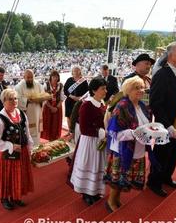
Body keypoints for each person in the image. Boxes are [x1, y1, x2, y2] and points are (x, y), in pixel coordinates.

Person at [104, 76, 152, 212]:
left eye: (142, 87)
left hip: (138, 149)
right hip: (123, 149)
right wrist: (135, 133)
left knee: (124, 177)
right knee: (118, 176)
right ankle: (110, 201)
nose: (141, 90)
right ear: (128, 90)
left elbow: (147, 125)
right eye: (136, 88)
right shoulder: (122, 105)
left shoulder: (142, 105)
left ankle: (116, 199)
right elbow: (115, 133)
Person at [147, 42, 176, 197]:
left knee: (174, 152)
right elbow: (155, 103)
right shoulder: (161, 75)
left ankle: (166, 177)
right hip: (166, 125)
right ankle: (154, 182)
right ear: (170, 55)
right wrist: (168, 125)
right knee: (161, 154)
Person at [0, 88, 34, 210]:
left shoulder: (21, 114)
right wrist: (11, 146)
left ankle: (15, 196)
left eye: (15, 98)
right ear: (3, 101)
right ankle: (4, 198)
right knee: (7, 177)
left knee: (19, 175)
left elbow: (27, 133)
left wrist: (29, 146)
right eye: (10, 99)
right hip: (6, 155)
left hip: (22, 151)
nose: (14, 101)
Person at [70, 77, 107, 206]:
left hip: (98, 141)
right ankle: (86, 193)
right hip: (89, 142)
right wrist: (101, 132)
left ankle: (94, 190)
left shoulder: (101, 103)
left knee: (97, 166)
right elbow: (84, 128)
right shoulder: (87, 105)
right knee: (89, 165)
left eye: (105, 88)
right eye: (103, 89)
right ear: (94, 90)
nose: (105, 91)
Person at [15, 69, 44, 146]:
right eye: (28, 77)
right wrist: (27, 100)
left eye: (31, 77)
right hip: (27, 113)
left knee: (37, 132)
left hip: (37, 112)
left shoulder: (37, 84)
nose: (30, 79)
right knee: (29, 132)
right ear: (24, 77)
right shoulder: (19, 87)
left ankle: (37, 146)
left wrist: (40, 99)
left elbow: (43, 94)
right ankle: (30, 149)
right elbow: (18, 100)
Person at [63, 65, 89, 133]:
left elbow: (87, 92)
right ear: (72, 72)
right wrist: (72, 96)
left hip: (78, 102)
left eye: (78, 70)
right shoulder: (69, 80)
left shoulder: (83, 81)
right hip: (69, 101)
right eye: (75, 71)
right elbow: (65, 91)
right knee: (69, 116)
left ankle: (76, 132)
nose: (76, 72)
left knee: (77, 117)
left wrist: (80, 98)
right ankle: (70, 131)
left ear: (80, 71)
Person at [41, 70, 65, 141]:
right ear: (50, 77)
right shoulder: (46, 85)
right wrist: (51, 107)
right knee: (47, 123)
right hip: (48, 107)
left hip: (57, 108)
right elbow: (44, 98)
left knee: (56, 124)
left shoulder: (60, 85)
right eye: (53, 76)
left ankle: (55, 138)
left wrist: (57, 107)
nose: (55, 78)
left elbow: (62, 98)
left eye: (57, 76)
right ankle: (47, 139)